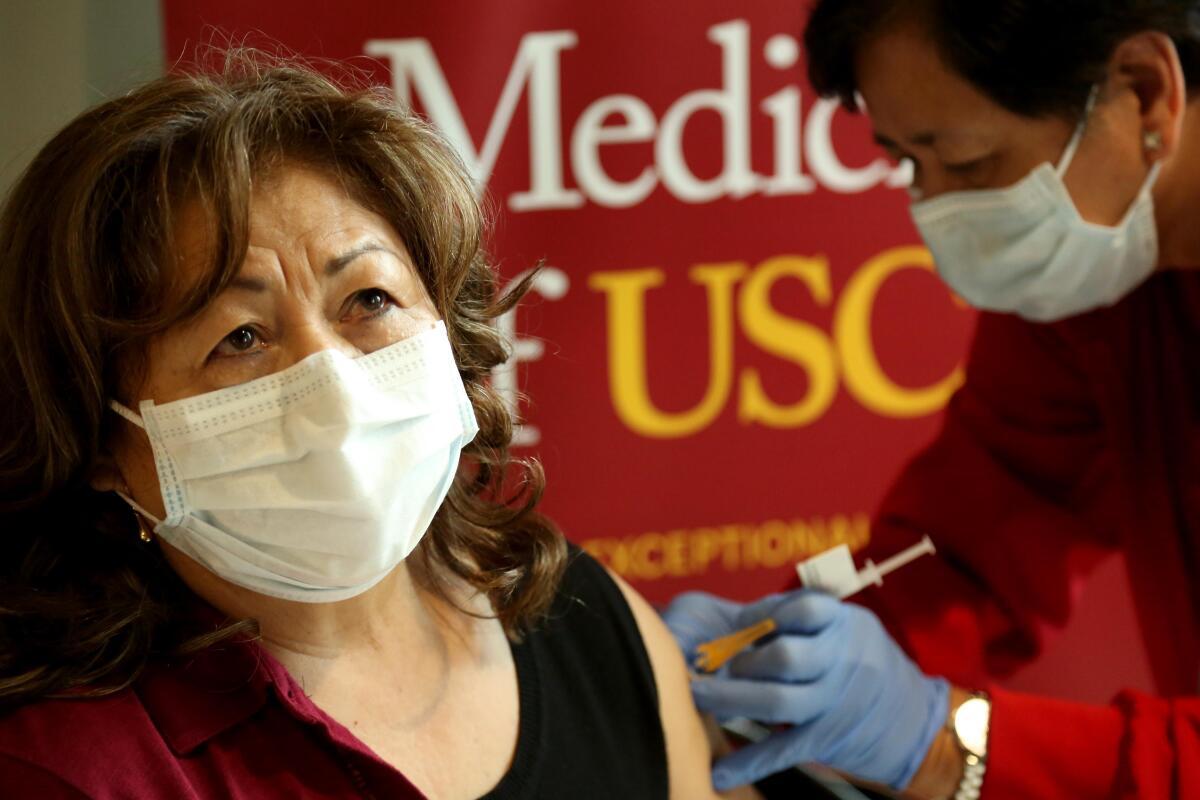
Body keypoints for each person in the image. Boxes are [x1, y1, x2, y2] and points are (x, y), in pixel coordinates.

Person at [0, 55, 762, 800]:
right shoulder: (76, 772)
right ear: (101, 441)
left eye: (367, 300)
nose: (332, 382)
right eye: (239, 338)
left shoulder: (579, 616)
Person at [663, 1, 1200, 798]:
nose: (941, 211)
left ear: (1145, 91)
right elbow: (980, 544)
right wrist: (781, 660)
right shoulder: (1098, 281)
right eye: (911, 163)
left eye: (971, 161)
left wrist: (942, 744)